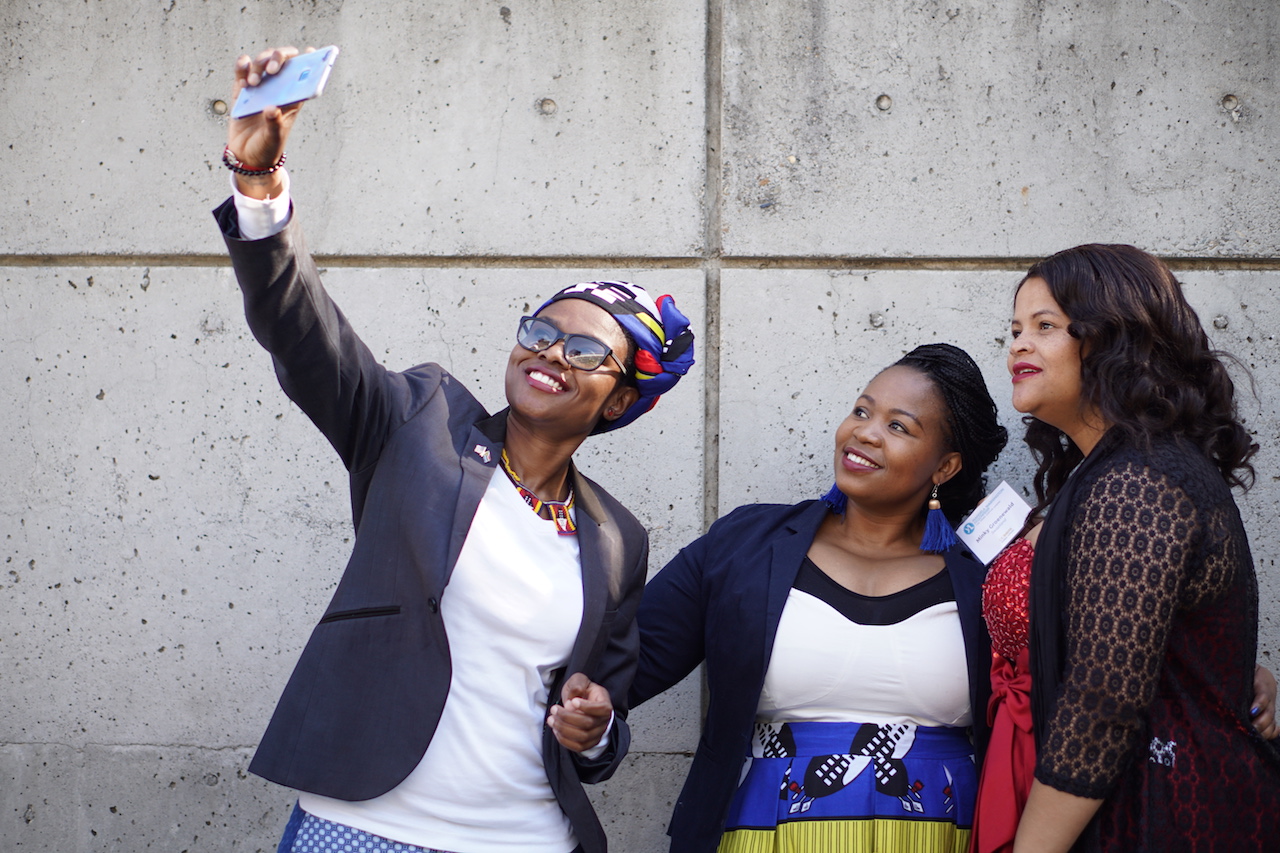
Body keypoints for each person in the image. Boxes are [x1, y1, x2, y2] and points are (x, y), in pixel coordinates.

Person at [212, 47, 694, 853]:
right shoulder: (419, 420)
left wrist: (597, 727)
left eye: (582, 350)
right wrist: (259, 186)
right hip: (365, 826)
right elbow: (302, 331)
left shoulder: (617, 539)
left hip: (526, 836)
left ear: (616, 400)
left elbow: (600, 717)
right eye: (541, 331)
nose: (549, 352)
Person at [630, 343, 1008, 853]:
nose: (865, 432)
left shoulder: (986, 576)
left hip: (941, 831)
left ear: (945, 467)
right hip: (766, 832)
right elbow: (630, 660)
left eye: (898, 426)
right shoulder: (745, 544)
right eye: (861, 410)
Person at [975, 244, 1280, 852]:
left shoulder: (1138, 479)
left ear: (1114, 339)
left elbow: (1101, 704)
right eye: (1013, 330)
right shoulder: (1100, 474)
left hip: (1163, 815)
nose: (1017, 346)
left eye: (1046, 327)